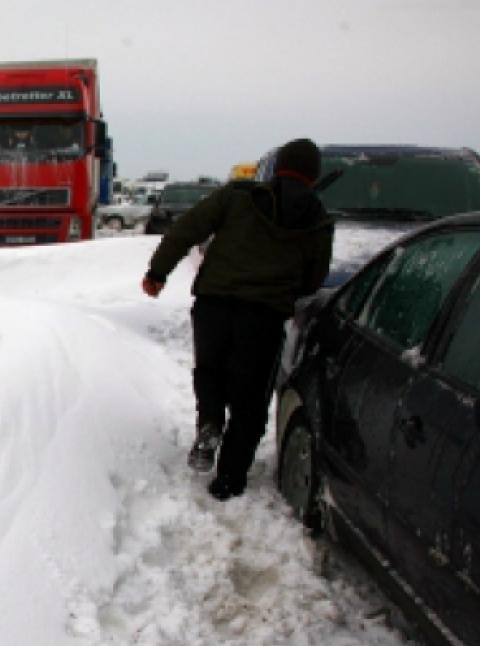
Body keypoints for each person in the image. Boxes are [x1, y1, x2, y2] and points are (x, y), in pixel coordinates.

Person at [140, 138, 334, 500]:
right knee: (250, 400)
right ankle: (229, 479)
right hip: (264, 317)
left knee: (210, 373)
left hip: (214, 305)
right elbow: (315, 277)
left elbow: (186, 230)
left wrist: (157, 273)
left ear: (277, 167)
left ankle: (210, 421)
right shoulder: (318, 219)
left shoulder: (237, 196)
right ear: (313, 175)